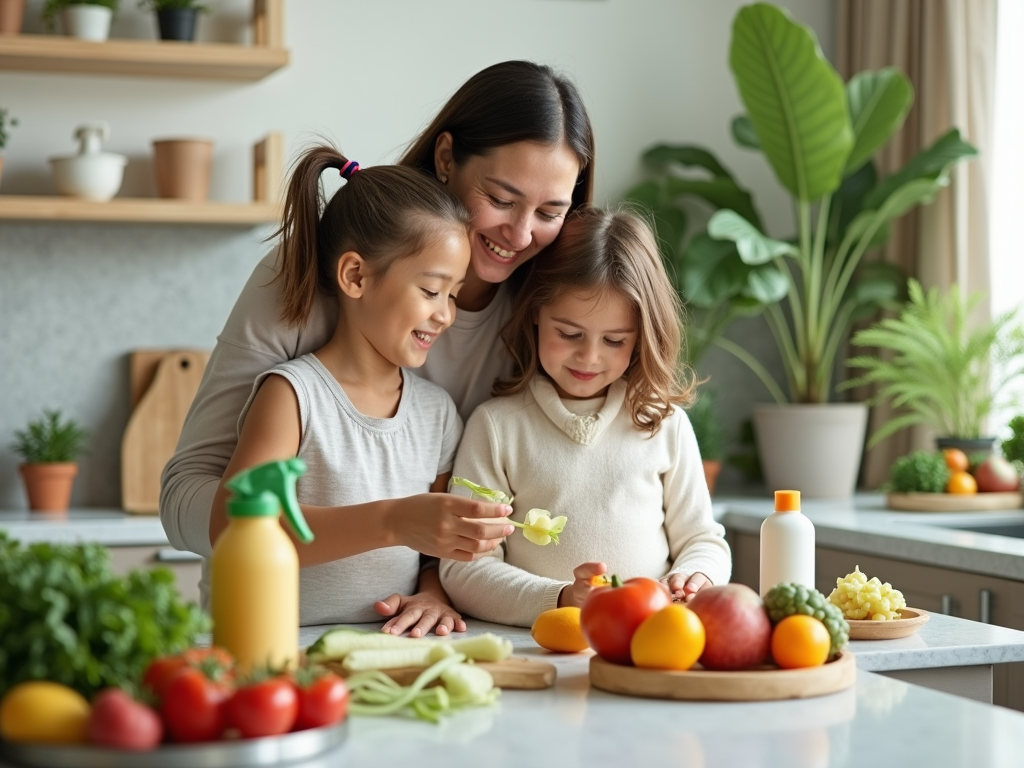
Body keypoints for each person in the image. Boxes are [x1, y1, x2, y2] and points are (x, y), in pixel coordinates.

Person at [159, 61, 596, 635]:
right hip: (270, 630)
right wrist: (387, 524)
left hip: (425, 629)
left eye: (549, 212)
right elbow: (193, 496)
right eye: (501, 198)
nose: (519, 235)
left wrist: (437, 583)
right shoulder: (299, 310)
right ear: (446, 159)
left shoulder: (549, 317)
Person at [439, 207, 732, 628]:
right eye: (569, 334)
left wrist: (694, 576)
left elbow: (703, 540)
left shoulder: (663, 424)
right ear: (537, 311)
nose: (589, 357)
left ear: (642, 336)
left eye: (614, 340)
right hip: (544, 648)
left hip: (652, 640)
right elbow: (464, 570)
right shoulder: (497, 428)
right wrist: (560, 598)